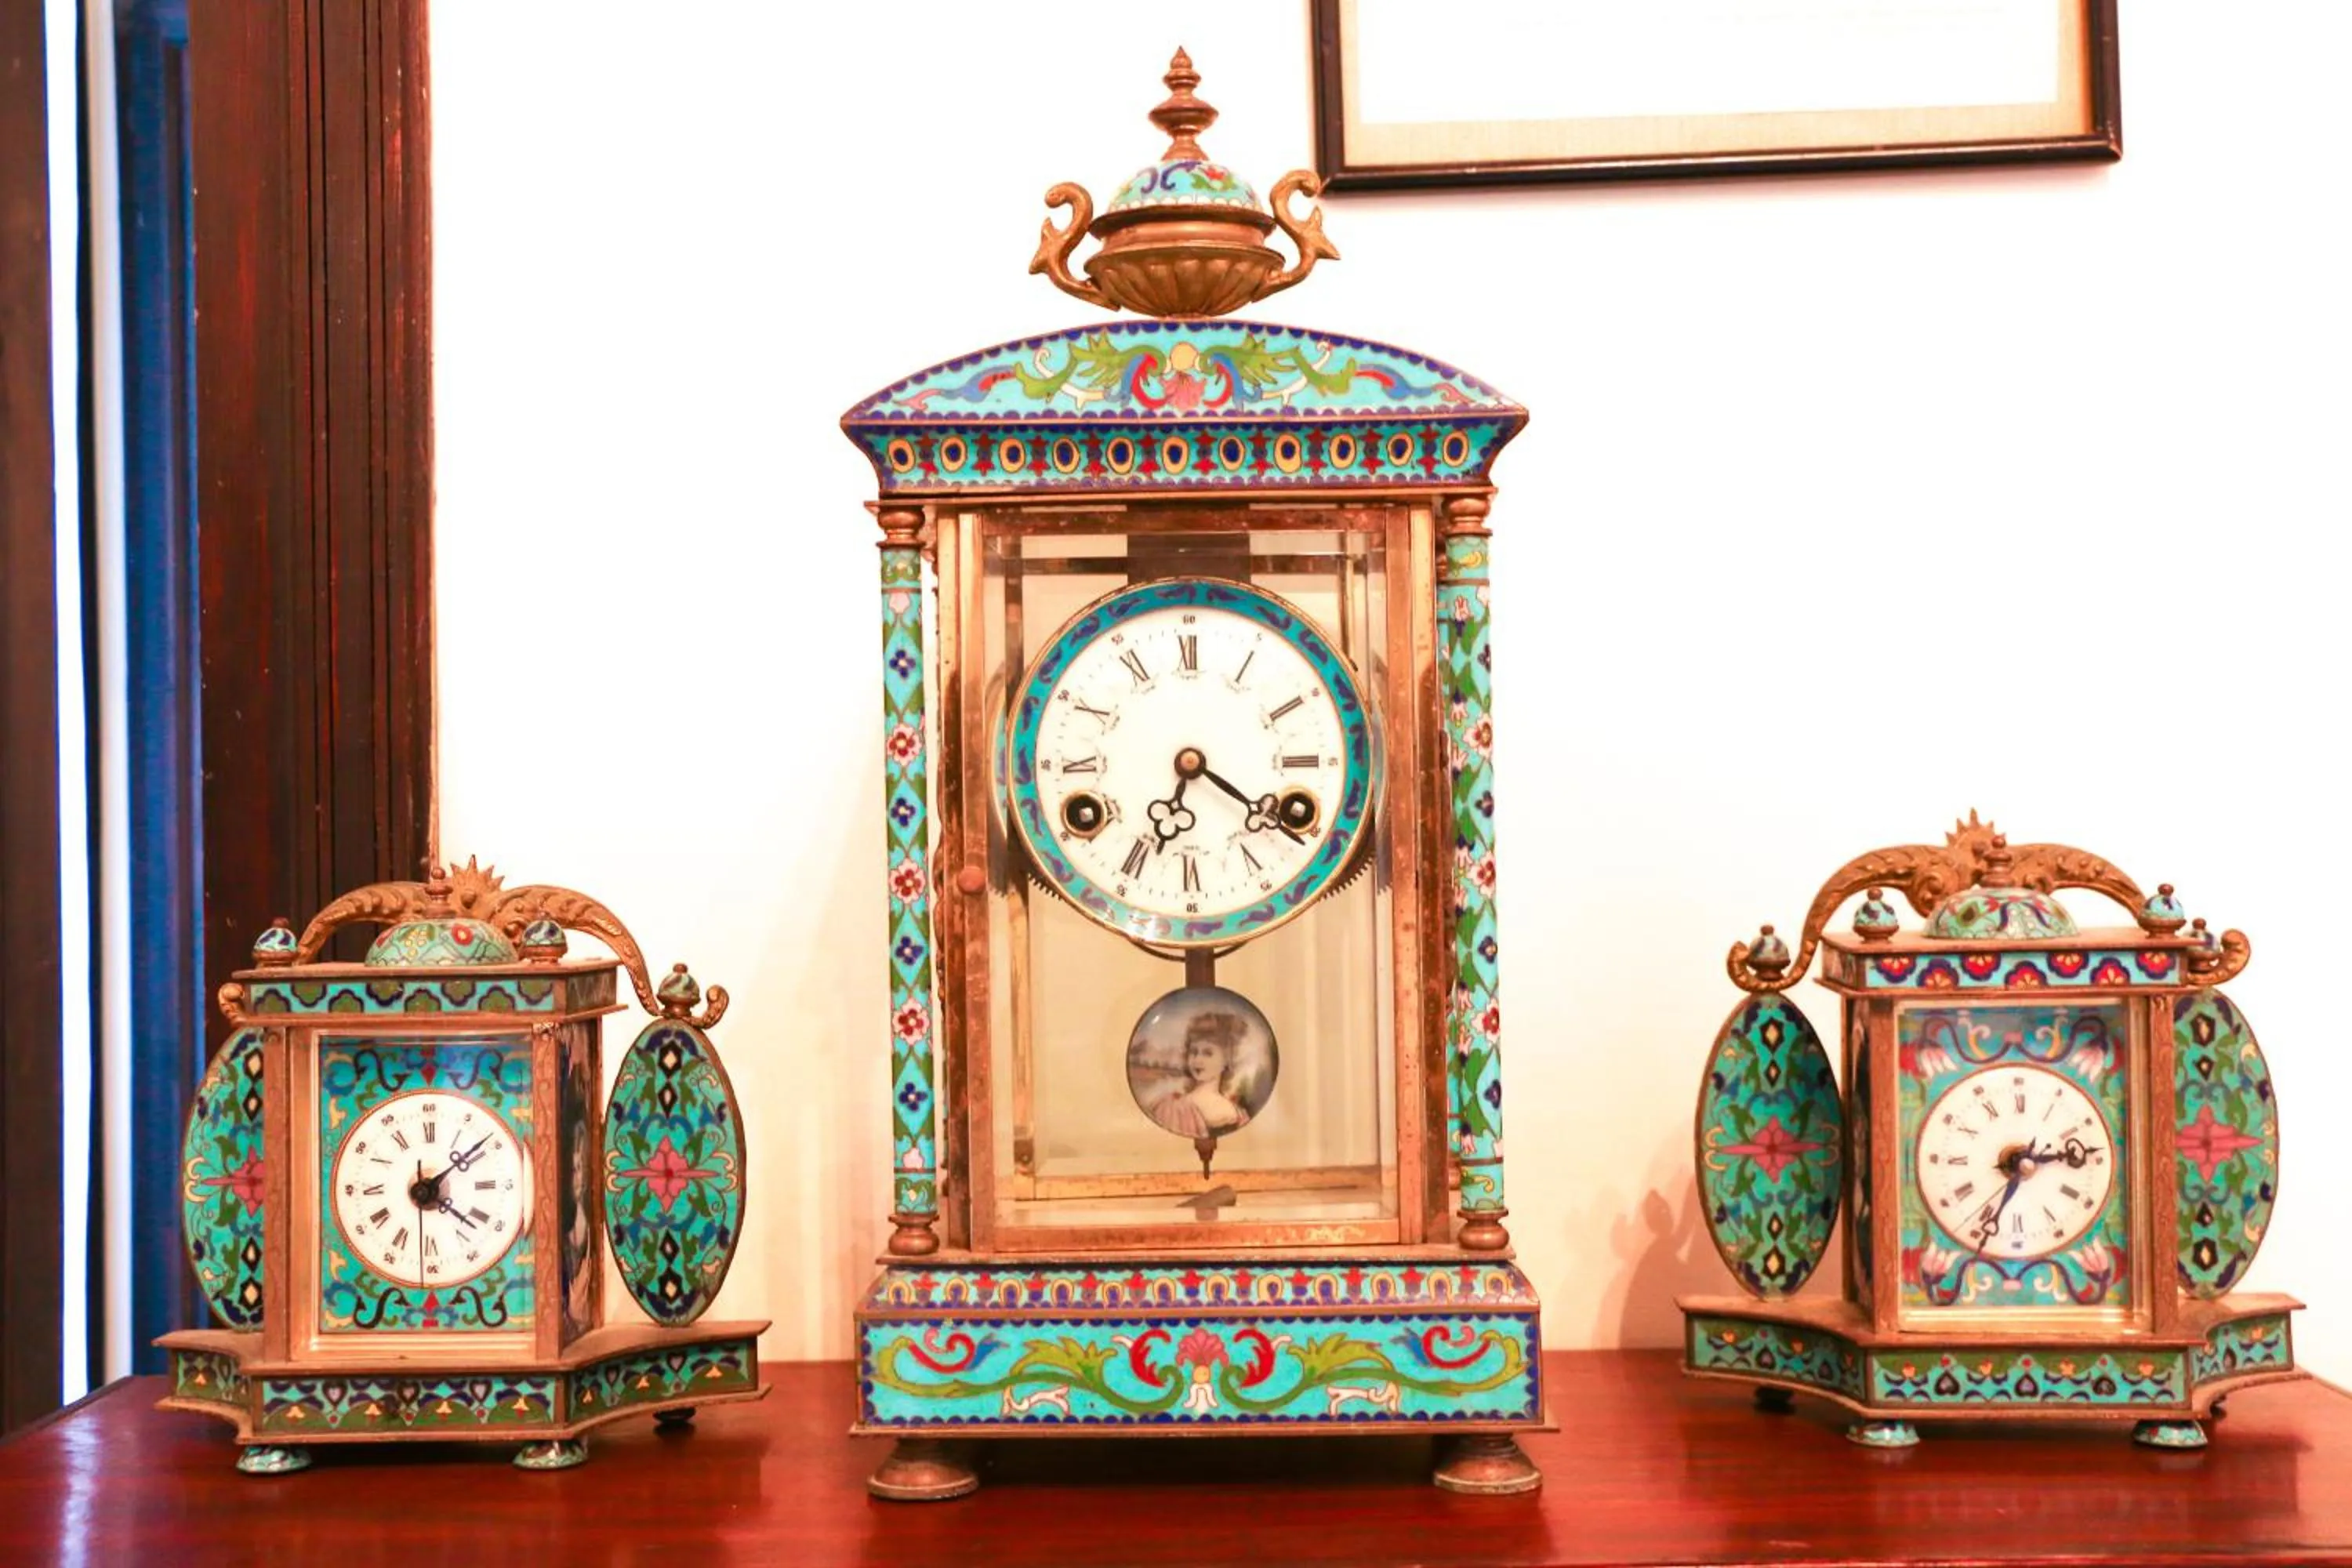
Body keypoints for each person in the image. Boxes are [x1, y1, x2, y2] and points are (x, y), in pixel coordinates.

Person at [1149, 1011, 1252, 1139]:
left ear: (1226, 1061)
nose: (1197, 1060)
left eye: (1208, 1053)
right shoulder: (1172, 1110)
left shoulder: (1240, 1114)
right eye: (1194, 1052)